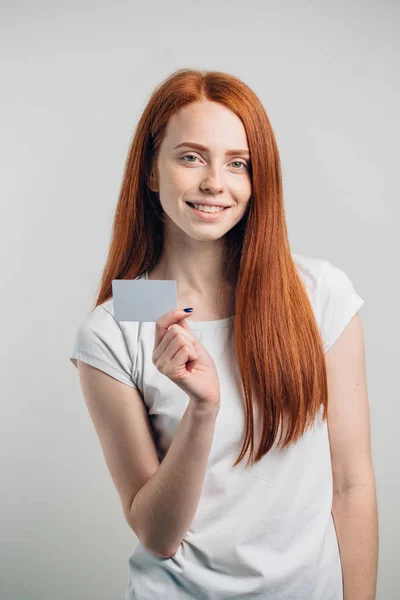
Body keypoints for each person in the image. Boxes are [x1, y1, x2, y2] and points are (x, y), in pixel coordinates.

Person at [70, 69, 378, 599]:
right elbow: (157, 533)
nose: (215, 182)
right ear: (150, 170)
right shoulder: (116, 325)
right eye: (191, 157)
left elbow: (351, 484)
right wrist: (202, 412)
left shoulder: (318, 294)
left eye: (238, 164)